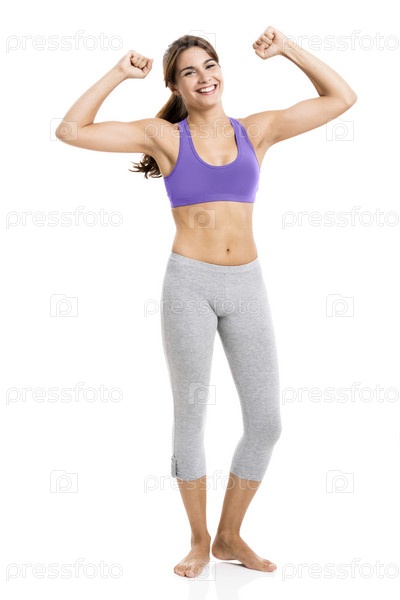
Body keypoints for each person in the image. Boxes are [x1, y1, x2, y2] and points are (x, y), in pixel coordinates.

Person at [55, 26, 357, 578]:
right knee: (191, 416)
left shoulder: (255, 131)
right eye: (189, 71)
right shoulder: (163, 137)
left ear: (222, 72)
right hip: (189, 286)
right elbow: (70, 130)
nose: (204, 77)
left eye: (210, 65)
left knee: (266, 421)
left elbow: (342, 98)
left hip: (248, 285)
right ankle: (197, 540)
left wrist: (287, 49)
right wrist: (119, 73)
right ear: (174, 85)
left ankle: (229, 535)